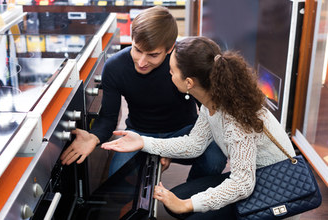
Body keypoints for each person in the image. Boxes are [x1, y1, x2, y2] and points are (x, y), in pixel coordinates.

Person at [101, 36, 299, 220]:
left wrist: (187, 205)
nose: (168, 74)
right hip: (252, 175)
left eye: (172, 71)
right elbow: (194, 144)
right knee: (177, 202)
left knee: (187, 211)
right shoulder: (212, 101)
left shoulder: (235, 122)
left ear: (189, 82)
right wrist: (143, 141)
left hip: (275, 188)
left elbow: (242, 184)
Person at [60, 6, 227, 179]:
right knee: (117, 176)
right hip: (139, 133)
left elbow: (208, 109)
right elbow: (108, 118)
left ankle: (191, 194)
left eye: (152, 55)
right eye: (137, 49)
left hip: (184, 132)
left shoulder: (183, 64)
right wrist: (94, 137)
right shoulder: (114, 68)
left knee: (215, 156)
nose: (141, 62)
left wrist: (172, 148)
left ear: (170, 49)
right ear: (132, 40)